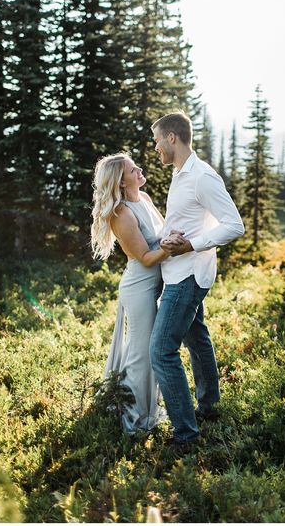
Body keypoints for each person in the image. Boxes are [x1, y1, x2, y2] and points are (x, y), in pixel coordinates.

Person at [150, 111, 245, 448]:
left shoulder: (202, 176)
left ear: (172, 137)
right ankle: (210, 407)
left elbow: (234, 225)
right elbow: (188, 219)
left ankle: (186, 435)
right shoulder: (180, 174)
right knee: (197, 338)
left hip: (188, 276)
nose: (156, 148)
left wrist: (190, 244)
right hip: (181, 270)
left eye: (158, 140)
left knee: (161, 351)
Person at [90, 152, 182, 435]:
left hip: (158, 283)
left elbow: (164, 231)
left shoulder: (145, 199)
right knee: (143, 352)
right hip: (140, 287)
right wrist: (170, 247)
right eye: (133, 169)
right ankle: (135, 416)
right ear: (120, 182)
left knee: (145, 349)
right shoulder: (120, 214)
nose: (140, 170)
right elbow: (144, 256)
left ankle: (141, 404)